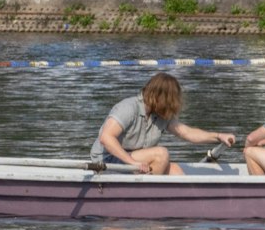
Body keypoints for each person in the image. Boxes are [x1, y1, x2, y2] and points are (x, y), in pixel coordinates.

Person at [92, 73, 235, 175]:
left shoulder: (161, 113)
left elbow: (188, 133)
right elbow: (106, 138)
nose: (172, 106)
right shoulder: (128, 107)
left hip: (133, 159)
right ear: (158, 97)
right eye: (170, 101)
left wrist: (218, 136)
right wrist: (132, 163)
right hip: (106, 161)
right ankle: (145, 200)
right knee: (161, 154)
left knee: (176, 173)